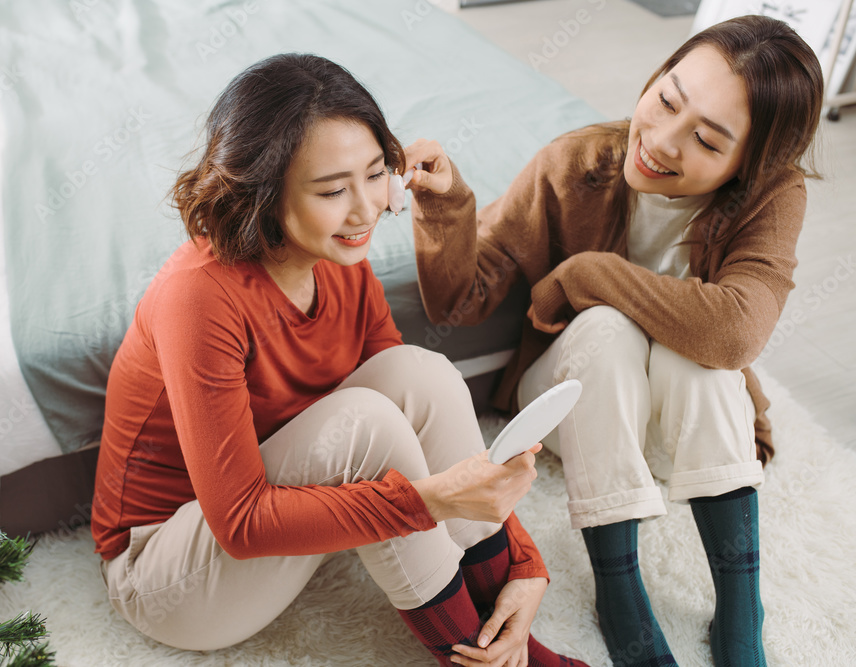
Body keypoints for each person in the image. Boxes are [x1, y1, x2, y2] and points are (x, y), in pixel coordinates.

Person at [90, 53, 590, 667]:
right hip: (172, 573)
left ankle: (504, 635)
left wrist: (524, 562)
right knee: (367, 424)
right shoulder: (198, 295)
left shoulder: (338, 257)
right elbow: (242, 524)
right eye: (332, 190)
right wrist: (432, 501)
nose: (366, 209)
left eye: (376, 174)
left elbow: (423, 421)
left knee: (420, 374)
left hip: (288, 516)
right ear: (264, 194)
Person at [405, 16, 822, 667]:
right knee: (606, 326)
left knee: (710, 361)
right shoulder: (578, 164)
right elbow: (462, 300)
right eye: (665, 99)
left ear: (751, 165)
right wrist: (445, 203)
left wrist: (587, 275)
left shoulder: (773, 197)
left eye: (707, 141)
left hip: (683, 435)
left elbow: (739, 330)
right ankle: (617, 586)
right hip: (582, 407)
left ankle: (742, 605)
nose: (660, 140)